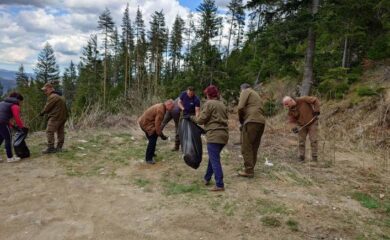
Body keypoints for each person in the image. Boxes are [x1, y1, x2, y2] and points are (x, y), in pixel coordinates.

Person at [190, 85, 228, 192]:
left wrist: (191, 118)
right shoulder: (222, 104)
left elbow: (201, 120)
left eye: (206, 94)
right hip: (224, 135)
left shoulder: (209, 104)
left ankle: (220, 184)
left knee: (215, 160)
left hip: (214, 136)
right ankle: (207, 178)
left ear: (208, 94)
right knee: (213, 157)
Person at [237, 83, 266, 178]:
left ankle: (249, 171)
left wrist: (241, 121)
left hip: (251, 121)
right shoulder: (256, 95)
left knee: (246, 146)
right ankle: (251, 168)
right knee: (254, 146)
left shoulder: (246, 91)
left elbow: (240, 107)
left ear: (242, 88)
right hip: (261, 121)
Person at [282, 95, 320, 162]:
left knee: (313, 140)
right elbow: (291, 121)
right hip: (301, 126)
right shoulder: (290, 111)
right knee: (301, 142)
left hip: (312, 122)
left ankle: (314, 158)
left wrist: (317, 110)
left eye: (287, 104)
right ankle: (301, 157)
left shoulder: (303, 99)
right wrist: (294, 128)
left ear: (291, 100)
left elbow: (315, 100)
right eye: (285, 105)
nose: (286, 106)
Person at [139, 99, 174, 164]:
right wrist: (162, 136)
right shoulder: (161, 110)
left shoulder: (161, 106)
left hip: (144, 122)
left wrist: (159, 134)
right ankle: (148, 159)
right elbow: (157, 125)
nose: (172, 109)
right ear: (168, 104)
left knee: (153, 138)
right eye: (172, 107)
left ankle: (151, 153)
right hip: (146, 124)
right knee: (153, 139)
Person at [40, 83, 68, 154]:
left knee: (49, 131)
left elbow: (47, 107)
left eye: (46, 90)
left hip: (55, 117)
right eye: (44, 91)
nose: (45, 92)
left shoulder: (53, 96)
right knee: (60, 132)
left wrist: (42, 112)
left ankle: (51, 148)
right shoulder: (59, 96)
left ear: (50, 89)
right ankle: (59, 148)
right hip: (63, 117)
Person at [0, 92, 26, 162]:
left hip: (2, 122)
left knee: (1, 138)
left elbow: (3, 115)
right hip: (2, 122)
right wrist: (22, 127)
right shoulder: (14, 105)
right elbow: (17, 118)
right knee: (8, 138)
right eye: (20, 101)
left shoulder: (2, 103)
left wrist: (12, 126)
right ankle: (10, 157)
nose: (20, 103)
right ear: (18, 99)